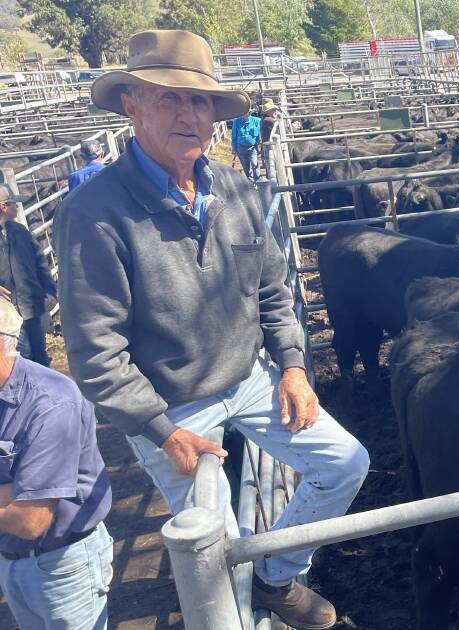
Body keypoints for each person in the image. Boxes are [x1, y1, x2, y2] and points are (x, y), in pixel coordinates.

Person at [56, 30, 368, 629]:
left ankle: (278, 575)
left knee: (347, 462)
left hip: (249, 376)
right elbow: (97, 354)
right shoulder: (94, 214)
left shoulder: (238, 190)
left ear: (215, 115)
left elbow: (274, 289)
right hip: (170, 404)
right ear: (131, 104)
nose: (187, 114)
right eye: (167, 98)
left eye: (199, 101)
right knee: (215, 551)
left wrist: (296, 366)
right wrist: (160, 430)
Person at [0, 297, 113, 630]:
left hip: (61, 565)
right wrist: (14, 495)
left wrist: (19, 499)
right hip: (12, 559)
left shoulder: (51, 402)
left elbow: (31, 521)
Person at [0, 188, 56, 367]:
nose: (17, 206)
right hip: (6, 313)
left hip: (30, 306)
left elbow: (40, 261)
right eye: (13, 203)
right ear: (3, 206)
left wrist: (50, 290)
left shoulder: (20, 231)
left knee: (39, 354)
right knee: (22, 357)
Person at [230, 108, 261, 182]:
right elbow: (233, 136)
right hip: (241, 148)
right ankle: (250, 182)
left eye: (248, 112)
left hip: (253, 147)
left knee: (255, 164)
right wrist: (234, 148)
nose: (246, 114)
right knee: (246, 167)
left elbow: (262, 130)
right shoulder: (237, 122)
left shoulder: (257, 121)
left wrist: (260, 144)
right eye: (244, 113)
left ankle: (258, 181)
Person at [258, 99, 279, 181]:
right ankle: (273, 187)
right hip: (270, 147)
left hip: (267, 147)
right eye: (273, 109)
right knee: (272, 168)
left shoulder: (264, 119)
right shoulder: (269, 121)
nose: (275, 111)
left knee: (269, 167)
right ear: (268, 111)